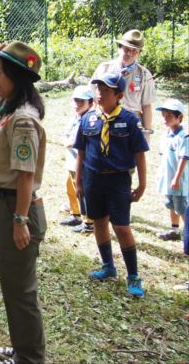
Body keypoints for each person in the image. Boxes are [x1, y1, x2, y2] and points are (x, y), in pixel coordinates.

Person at [0, 41, 47, 364]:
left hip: (17, 209)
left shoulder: (23, 120)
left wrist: (19, 221)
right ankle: (21, 350)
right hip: (3, 207)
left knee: (21, 293)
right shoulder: (7, 108)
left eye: (3, 73)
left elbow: (25, 176)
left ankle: (30, 358)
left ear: (18, 78)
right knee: (13, 290)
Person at [74, 73, 149, 298]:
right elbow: (81, 151)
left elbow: (140, 153)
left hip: (118, 180)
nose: (99, 94)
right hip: (93, 178)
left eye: (105, 91)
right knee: (99, 222)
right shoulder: (88, 119)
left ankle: (133, 275)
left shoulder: (129, 120)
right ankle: (108, 266)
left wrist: (142, 184)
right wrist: (79, 181)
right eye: (97, 89)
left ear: (118, 95)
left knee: (122, 227)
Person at [91, 29, 156, 142]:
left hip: (131, 125)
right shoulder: (104, 69)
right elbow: (92, 99)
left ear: (139, 53)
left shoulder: (144, 75)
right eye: (126, 49)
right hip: (106, 121)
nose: (129, 53)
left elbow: (147, 106)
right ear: (119, 47)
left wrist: (147, 133)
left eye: (134, 51)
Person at [59, 85, 95, 234]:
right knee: (70, 187)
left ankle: (88, 222)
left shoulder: (90, 120)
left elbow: (88, 141)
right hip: (71, 161)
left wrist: (72, 143)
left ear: (90, 103)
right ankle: (76, 215)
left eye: (82, 101)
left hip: (82, 164)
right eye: (76, 100)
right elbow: (66, 134)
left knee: (83, 192)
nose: (77, 104)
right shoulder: (75, 118)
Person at [154, 99, 188, 242]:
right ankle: (174, 229)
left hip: (177, 180)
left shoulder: (183, 137)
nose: (165, 118)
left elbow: (183, 158)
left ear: (179, 118)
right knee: (170, 204)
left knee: (181, 207)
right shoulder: (166, 136)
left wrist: (176, 178)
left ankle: (187, 233)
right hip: (167, 178)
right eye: (164, 115)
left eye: (170, 116)